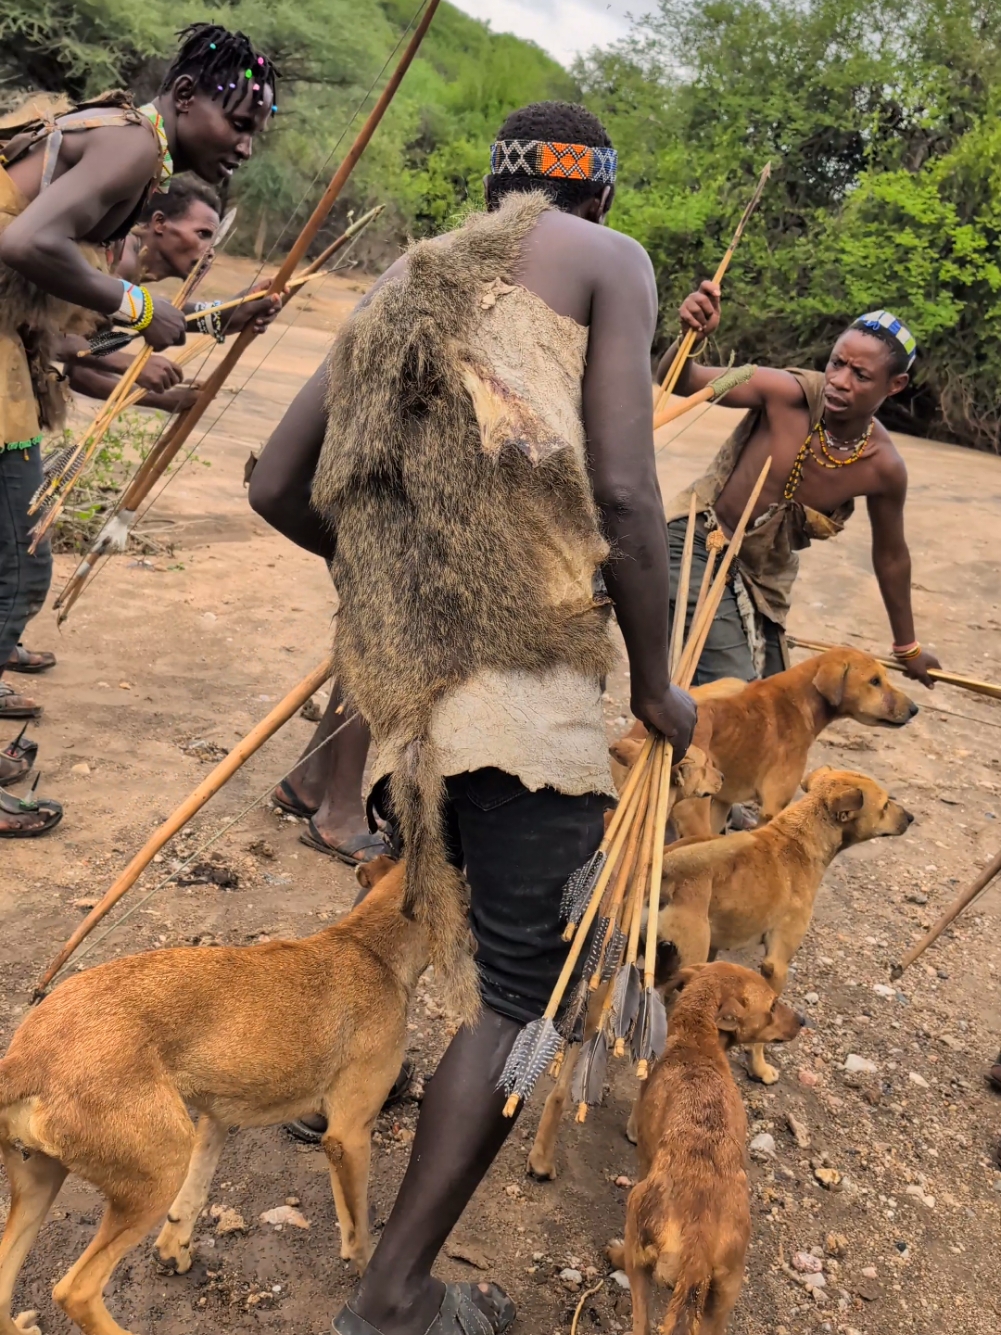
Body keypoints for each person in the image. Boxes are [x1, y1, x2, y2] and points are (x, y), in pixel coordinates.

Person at [251, 100, 696, 1335]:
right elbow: (622, 486)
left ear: (498, 187)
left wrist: (397, 589)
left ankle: (341, 1105)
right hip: (519, 698)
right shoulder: (609, 261)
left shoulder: (406, 276)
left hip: (412, 702)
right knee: (524, 991)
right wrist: (657, 682)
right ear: (595, 192)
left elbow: (274, 484)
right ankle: (393, 1295)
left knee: (474, 944)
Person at [0, 22, 277, 835]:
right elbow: (25, 240)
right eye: (239, 122)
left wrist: (207, 318)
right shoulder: (129, 144)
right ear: (185, 98)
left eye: (256, 131)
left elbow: (71, 333)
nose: (246, 146)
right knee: (10, 554)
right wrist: (136, 305)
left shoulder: (130, 149)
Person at [658, 282, 941, 689]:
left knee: (779, 701)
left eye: (860, 375)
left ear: (894, 386)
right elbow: (678, 379)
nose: (840, 381)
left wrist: (908, 648)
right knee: (737, 694)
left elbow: (892, 556)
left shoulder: (884, 467)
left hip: (763, 579)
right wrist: (692, 336)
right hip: (697, 547)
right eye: (836, 364)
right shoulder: (784, 392)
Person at [64, 174, 281, 414]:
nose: (209, 252)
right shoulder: (116, 259)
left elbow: (87, 360)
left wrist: (223, 314)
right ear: (159, 223)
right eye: (202, 234)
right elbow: (51, 344)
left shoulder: (128, 261)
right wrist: (139, 371)